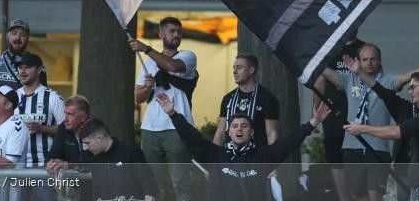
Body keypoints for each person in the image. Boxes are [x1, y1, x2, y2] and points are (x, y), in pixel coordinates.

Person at [158, 92, 331, 201]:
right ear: (229, 133)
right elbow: (193, 138)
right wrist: (173, 114)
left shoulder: (264, 156)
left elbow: (289, 142)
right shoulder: (215, 155)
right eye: (234, 126)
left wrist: (313, 122)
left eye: (244, 126)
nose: (239, 129)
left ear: (252, 133)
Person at [317, 43, 419, 201]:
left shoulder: (387, 81)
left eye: (373, 59)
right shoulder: (348, 79)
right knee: (358, 196)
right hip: (352, 146)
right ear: (358, 61)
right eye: (365, 59)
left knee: (375, 195)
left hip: (378, 148)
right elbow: (323, 70)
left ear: (380, 60)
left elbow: (406, 77)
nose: (369, 62)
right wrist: (313, 54)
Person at [344, 70, 419, 201]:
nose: (410, 92)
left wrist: (362, 128)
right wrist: (359, 72)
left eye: (413, 88)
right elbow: (386, 94)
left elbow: (398, 132)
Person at [129, 16, 198, 201]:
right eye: (171, 31)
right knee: (154, 184)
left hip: (178, 127)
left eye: (179, 31)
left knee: (181, 183)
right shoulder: (149, 63)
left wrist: (146, 49)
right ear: (161, 34)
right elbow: (139, 97)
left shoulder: (188, 56)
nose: (176, 35)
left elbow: (172, 66)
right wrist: (148, 86)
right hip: (150, 128)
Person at [14, 52, 65, 201]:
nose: (22, 72)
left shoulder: (53, 97)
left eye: (28, 67)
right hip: (16, 164)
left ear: (39, 70)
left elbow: (65, 129)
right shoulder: (12, 97)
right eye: (20, 68)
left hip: (44, 164)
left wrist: (42, 129)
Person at [321, 32, 364, 201]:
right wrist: (315, 110)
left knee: (355, 155)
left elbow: (376, 77)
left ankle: (358, 195)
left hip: (357, 110)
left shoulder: (364, 49)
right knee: (334, 156)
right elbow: (320, 81)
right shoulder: (329, 49)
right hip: (332, 110)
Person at [78, 118, 157, 201]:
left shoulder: (130, 152)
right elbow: (96, 193)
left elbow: (149, 186)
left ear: (99, 138)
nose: (85, 148)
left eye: (87, 143)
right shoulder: (95, 161)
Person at [214, 54, 279, 146]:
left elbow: (271, 134)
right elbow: (220, 132)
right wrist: (214, 158)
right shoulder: (228, 98)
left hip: (256, 157)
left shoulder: (267, 99)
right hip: (231, 157)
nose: (234, 71)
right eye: (234, 68)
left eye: (239, 67)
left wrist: (272, 158)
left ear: (251, 70)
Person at [45, 95, 92, 175]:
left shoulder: (96, 129)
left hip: (96, 184)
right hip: (71, 184)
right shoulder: (63, 128)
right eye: (65, 114)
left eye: (70, 114)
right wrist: (51, 164)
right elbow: (52, 155)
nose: (65, 119)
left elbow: (97, 163)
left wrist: (68, 165)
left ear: (83, 117)